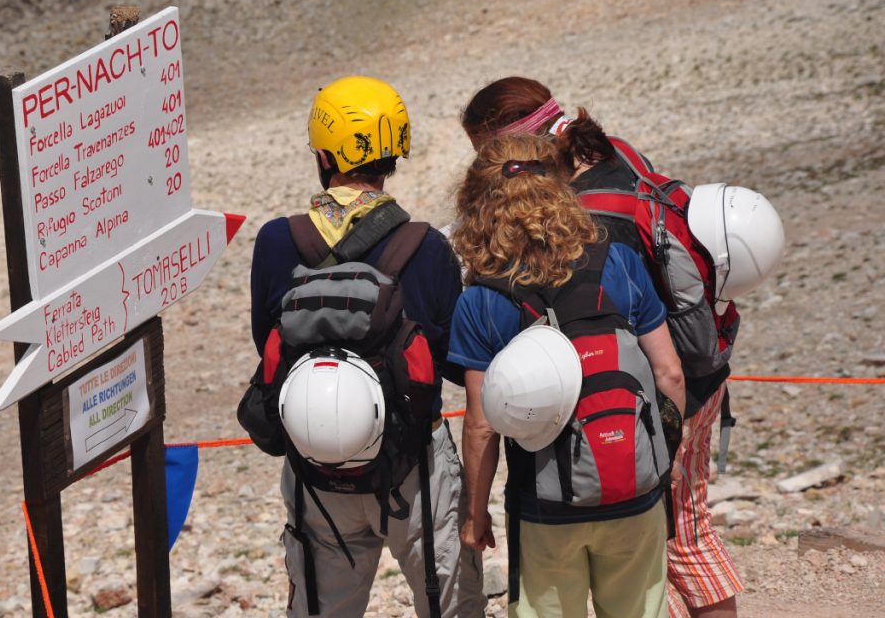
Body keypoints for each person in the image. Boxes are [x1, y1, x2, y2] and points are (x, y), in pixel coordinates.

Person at [460, 77, 743, 618]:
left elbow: (482, 418)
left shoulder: (581, 220)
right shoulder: (620, 155)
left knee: (681, 541)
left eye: (490, 155)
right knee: (681, 536)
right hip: (682, 375)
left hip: (621, 407)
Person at [249, 75, 487, 617]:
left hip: (316, 469)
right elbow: (452, 360)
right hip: (415, 469)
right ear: (394, 153)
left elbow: (266, 343)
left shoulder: (274, 241)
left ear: (325, 154)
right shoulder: (426, 247)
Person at [448, 135, 686, 618]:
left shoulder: (481, 300)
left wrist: (475, 515)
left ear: (478, 200)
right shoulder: (617, 262)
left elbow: (481, 425)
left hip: (545, 502)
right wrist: (664, 461)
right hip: (634, 490)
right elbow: (669, 373)